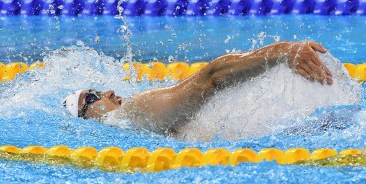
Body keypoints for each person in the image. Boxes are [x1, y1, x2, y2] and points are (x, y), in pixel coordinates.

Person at [63, 41, 333, 136]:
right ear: (86, 118)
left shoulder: (133, 122)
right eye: (92, 97)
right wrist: (282, 51)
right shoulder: (136, 112)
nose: (108, 92)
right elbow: (211, 78)